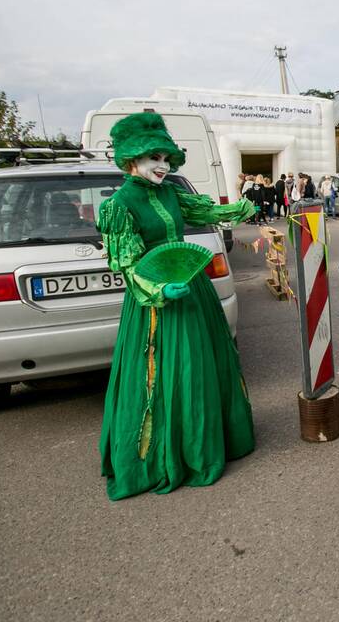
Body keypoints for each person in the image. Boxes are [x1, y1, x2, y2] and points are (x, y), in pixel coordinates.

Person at [96, 112, 258, 501]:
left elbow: (205, 212)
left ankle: (204, 442)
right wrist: (158, 289)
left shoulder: (170, 192)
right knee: (161, 373)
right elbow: (126, 264)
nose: (162, 167)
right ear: (131, 160)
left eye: (166, 159)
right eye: (154, 158)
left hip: (192, 290)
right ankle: (163, 454)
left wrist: (239, 209)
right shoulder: (119, 205)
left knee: (198, 367)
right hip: (155, 300)